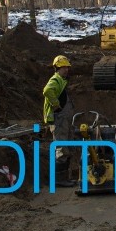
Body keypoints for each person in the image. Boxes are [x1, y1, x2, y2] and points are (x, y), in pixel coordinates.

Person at [43, 55, 75, 187]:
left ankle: (65, 178)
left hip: (64, 119)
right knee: (61, 148)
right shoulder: (55, 80)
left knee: (66, 147)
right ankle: (59, 179)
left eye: (67, 67)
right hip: (59, 119)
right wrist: (56, 104)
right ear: (57, 68)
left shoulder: (61, 80)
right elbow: (47, 90)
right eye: (63, 67)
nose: (66, 70)